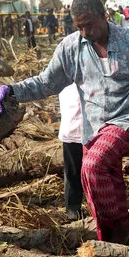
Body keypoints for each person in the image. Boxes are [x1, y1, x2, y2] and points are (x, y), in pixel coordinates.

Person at [0, 0, 129, 244]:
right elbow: (46, 82)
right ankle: (123, 242)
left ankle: (114, 240)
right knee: (110, 184)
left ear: (104, 16)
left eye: (89, 24)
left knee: (92, 167)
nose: (84, 32)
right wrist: (12, 90)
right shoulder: (71, 48)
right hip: (92, 128)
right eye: (79, 26)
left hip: (126, 120)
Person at [58, 84, 84, 220]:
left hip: (99, 128)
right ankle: (73, 210)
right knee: (73, 172)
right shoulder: (64, 64)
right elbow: (43, 83)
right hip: (72, 125)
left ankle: (104, 210)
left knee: (100, 171)